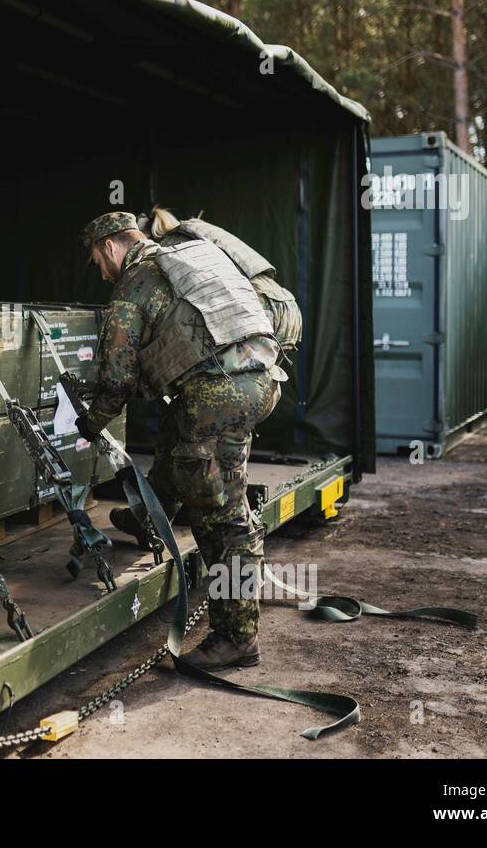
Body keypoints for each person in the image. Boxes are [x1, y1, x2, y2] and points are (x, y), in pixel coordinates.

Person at [75, 211, 285, 670]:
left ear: (111, 246)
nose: (101, 271)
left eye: (98, 260)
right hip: (261, 377)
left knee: (221, 518)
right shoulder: (185, 258)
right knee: (177, 435)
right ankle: (148, 517)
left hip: (219, 394)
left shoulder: (133, 286)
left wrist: (92, 423)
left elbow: (117, 378)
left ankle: (237, 637)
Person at [138, 205, 302, 357]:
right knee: (262, 381)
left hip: (258, 309)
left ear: (146, 237)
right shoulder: (199, 229)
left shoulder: (170, 247)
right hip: (287, 308)